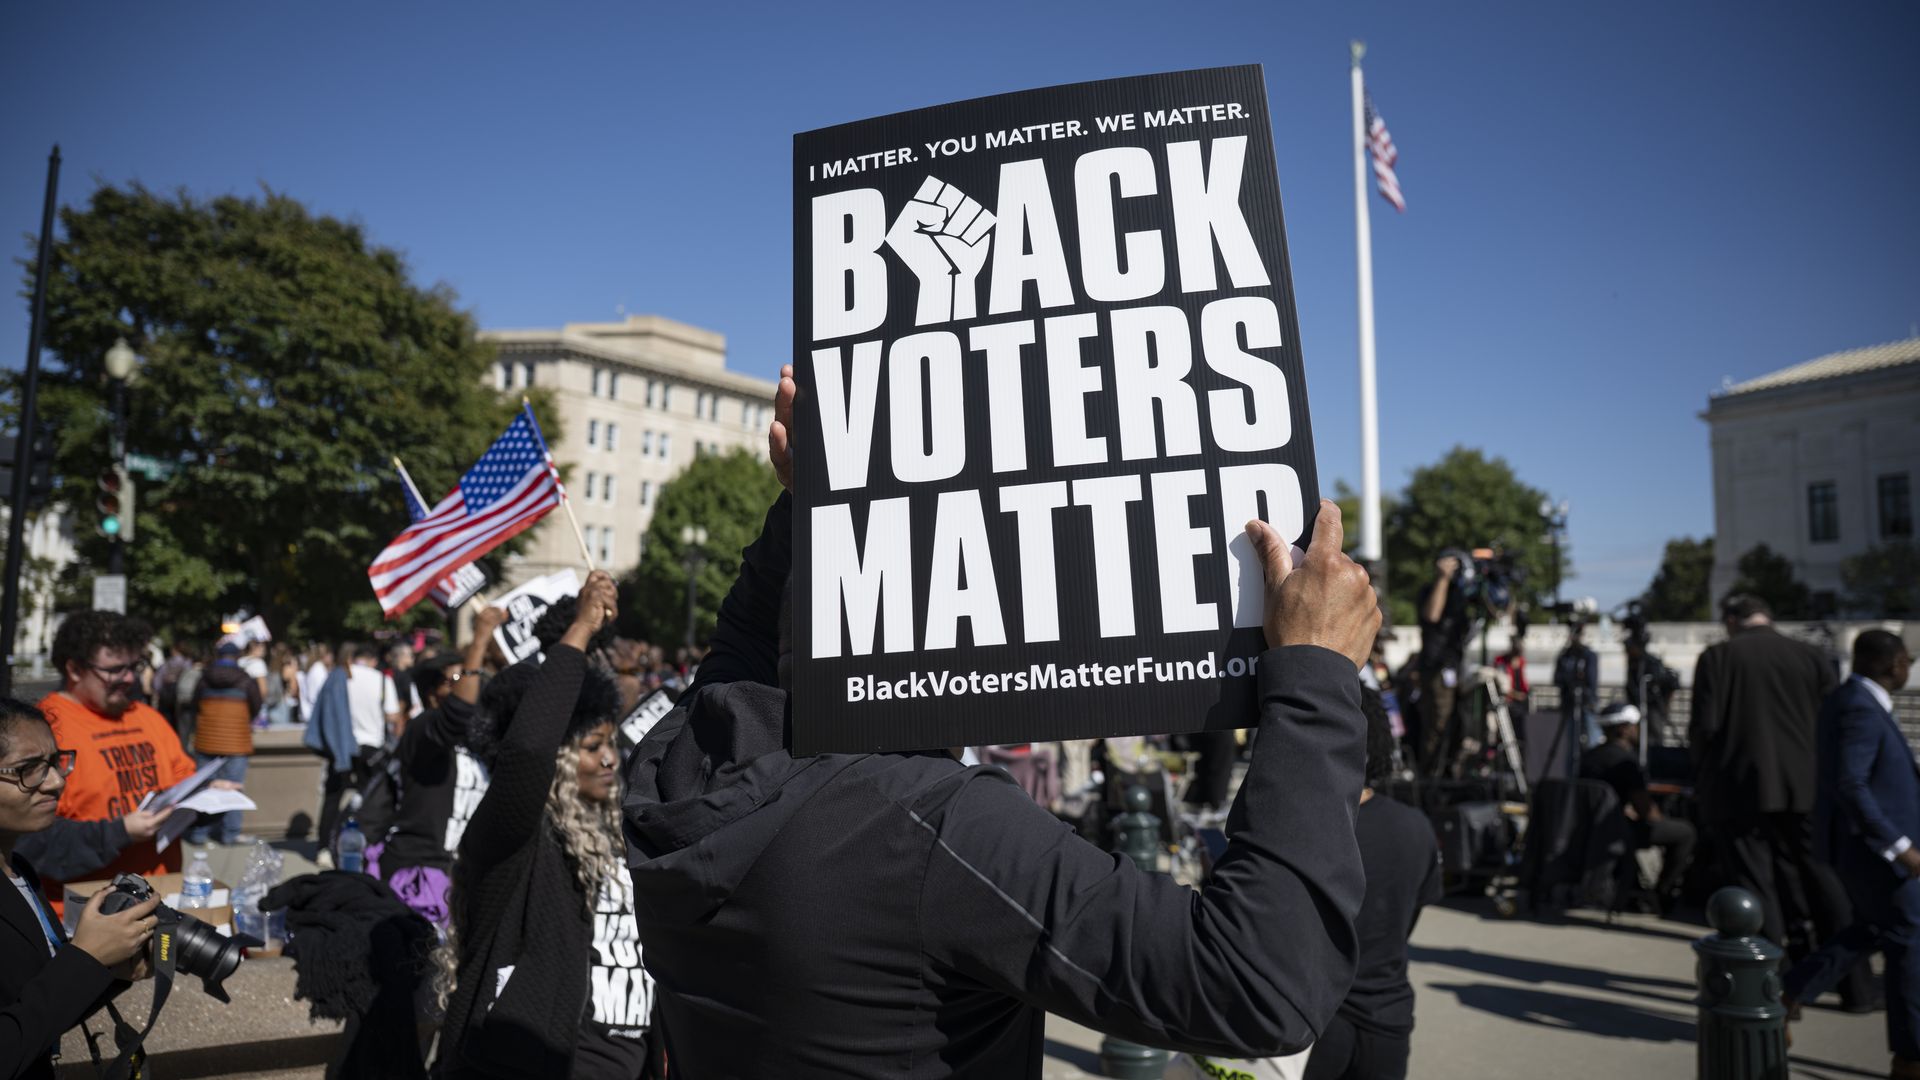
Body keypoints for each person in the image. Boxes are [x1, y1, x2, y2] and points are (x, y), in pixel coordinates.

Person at [622, 367, 1382, 1077]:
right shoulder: (929, 829)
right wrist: (1317, 675)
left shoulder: (681, 762)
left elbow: (743, 648)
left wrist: (812, 500)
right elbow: (1258, 984)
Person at [435, 572, 661, 1079]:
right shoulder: (514, 837)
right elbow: (528, 749)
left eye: (610, 743)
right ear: (559, 759)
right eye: (590, 746)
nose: (610, 759)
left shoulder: (619, 828)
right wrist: (579, 629)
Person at [1691, 593, 1869, 1006]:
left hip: (1740, 790)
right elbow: (1836, 724)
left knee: (1755, 887)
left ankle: (1770, 986)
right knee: (1823, 880)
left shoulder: (1718, 658)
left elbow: (1705, 728)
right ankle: (1855, 985)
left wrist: (1702, 778)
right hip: (1807, 788)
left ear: (1732, 620)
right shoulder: (1810, 656)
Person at [0, 696, 167, 1080]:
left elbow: (38, 1010)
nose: (57, 782)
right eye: (29, 770)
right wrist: (86, 958)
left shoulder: (21, 870)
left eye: (56, 763)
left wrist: (115, 971)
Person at [34, 612, 232, 915]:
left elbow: (181, 785)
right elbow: (36, 844)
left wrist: (209, 797)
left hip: (159, 903)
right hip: (84, 920)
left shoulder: (148, 717)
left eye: (134, 666)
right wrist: (121, 832)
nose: (130, 678)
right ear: (74, 669)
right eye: (115, 669)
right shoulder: (45, 728)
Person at [1785, 630, 1918, 1074]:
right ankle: (1910, 1056)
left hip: (1865, 850)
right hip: (1875, 853)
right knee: (1908, 939)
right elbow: (1852, 785)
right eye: (1907, 659)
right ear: (1890, 664)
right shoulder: (1859, 707)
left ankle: (1789, 992)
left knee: (1874, 930)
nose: (1911, 665)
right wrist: (1901, 849)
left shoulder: (1854, 701)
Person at [377, 608, 508, 927]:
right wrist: (479, 639)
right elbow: (458, 713)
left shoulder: (481, 739)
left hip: (466, 875)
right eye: (456, 679)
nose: (470, 685)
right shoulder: (422, 729)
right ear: (434, 693)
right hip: (421, 875)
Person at [1580, 703, 1696, 912]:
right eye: (1635, 725)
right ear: (1623, 729)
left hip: (1589, 829)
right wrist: (1658, 817)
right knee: (1685, 833)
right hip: (1616, 833)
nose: (1638, 730)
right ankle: (1662, 892)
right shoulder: (1626, 762)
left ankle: (1635, 883)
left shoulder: (1588, 757)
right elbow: (1648, 813)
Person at [185, 640, 263, 845]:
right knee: (234, 787)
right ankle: (231, 833)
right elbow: (256, 706)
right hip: (236, 740)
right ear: (236, 657)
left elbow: (194, 705)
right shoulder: (245, 679)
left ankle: (200, 833)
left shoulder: (204, 678)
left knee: (204, 787)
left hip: (206, 739)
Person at [1415, 552, 1470, 775]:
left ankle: (1452, 771)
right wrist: (1443, 579)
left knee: (1459, 724)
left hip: (1457, 667)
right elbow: (1432, 615)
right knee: (1437, 724)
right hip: (1435, 668)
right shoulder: (1430, 590)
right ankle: (1429, 776)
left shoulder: (1462, 594)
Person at [1552, 621, 1600, 762]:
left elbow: (1591, 682)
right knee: (1568, 744)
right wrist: (1571, 681)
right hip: (1568, 704)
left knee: (1591, 740)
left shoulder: (1588, 655)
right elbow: (1557, 679)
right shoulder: (1564, 655)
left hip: (1586, 704)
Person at [1623, 633, 1680, 748]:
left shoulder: (1651, 663)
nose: (1626, 651)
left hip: (1653, 708)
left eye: (1629, 648)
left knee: (1655, 740)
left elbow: (1670, 684)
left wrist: (1665, 706)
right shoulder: (1633, 663)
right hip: (1637, 707)